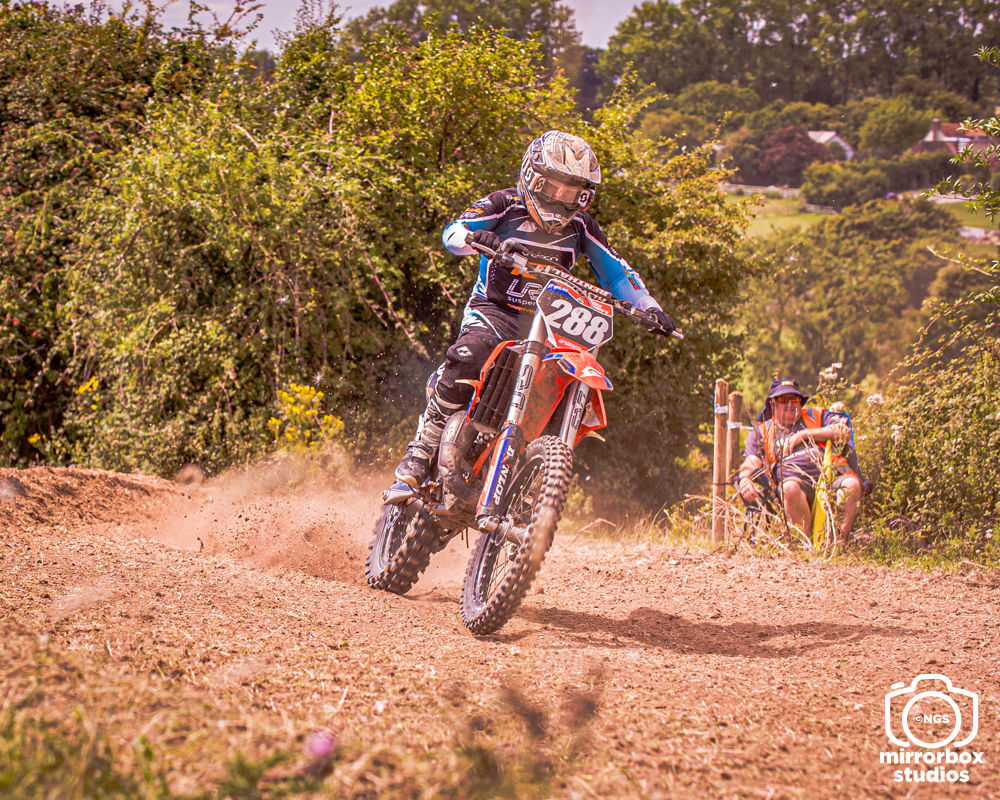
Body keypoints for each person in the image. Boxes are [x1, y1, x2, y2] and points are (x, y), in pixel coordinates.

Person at [394, 130, 677, 487]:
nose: (560, 200)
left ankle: (530, 480)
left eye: (571, 194)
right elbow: (454, 232)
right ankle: (422, 449)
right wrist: (474, 239)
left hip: (551, 322)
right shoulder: (504, 204)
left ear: (584, 197)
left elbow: (617, 274)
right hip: (494, 311)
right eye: (554, 189)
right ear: (532, 177)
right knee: (469, 356)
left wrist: (649, 308)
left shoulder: (582, 228)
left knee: (562, 381)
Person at [735, 378, 863, 539]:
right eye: (783, 400)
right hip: (794, 484)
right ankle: (806, 547)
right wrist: (744, 479)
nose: (790, 404)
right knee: (789, 488)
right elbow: (751, 461)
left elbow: (843, 432)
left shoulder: (816, 416)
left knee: (852, 484)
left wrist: (804, 435)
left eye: (795, 399)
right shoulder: (762, 431)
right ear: (773, 404)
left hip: (829, 479)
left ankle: (838, 544)